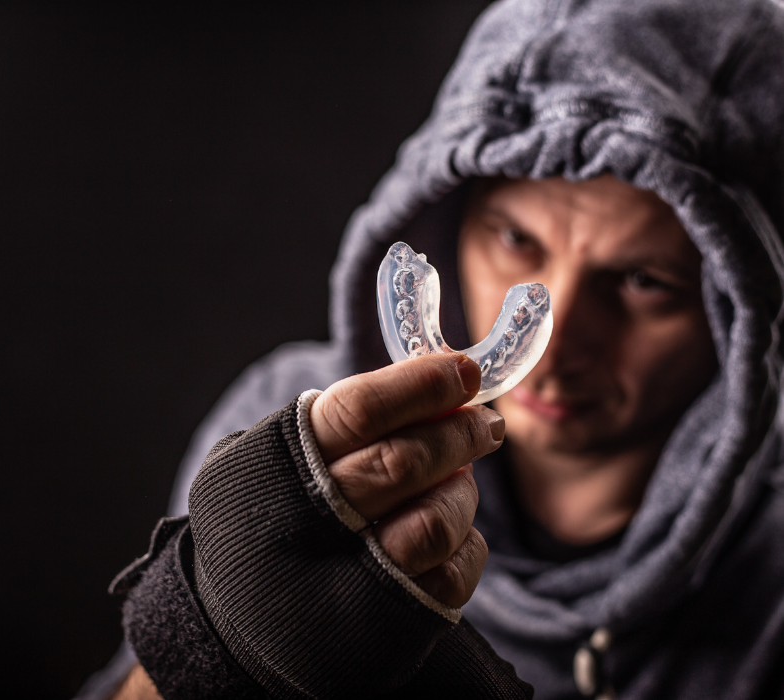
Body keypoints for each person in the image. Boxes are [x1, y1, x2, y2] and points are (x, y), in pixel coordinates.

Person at [75, 0, 784, 697]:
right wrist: (210, 656)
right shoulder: (287, 443)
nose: (555, 345)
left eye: (641, 282)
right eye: (515, 239)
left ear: (738, 310)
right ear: (449, 222)